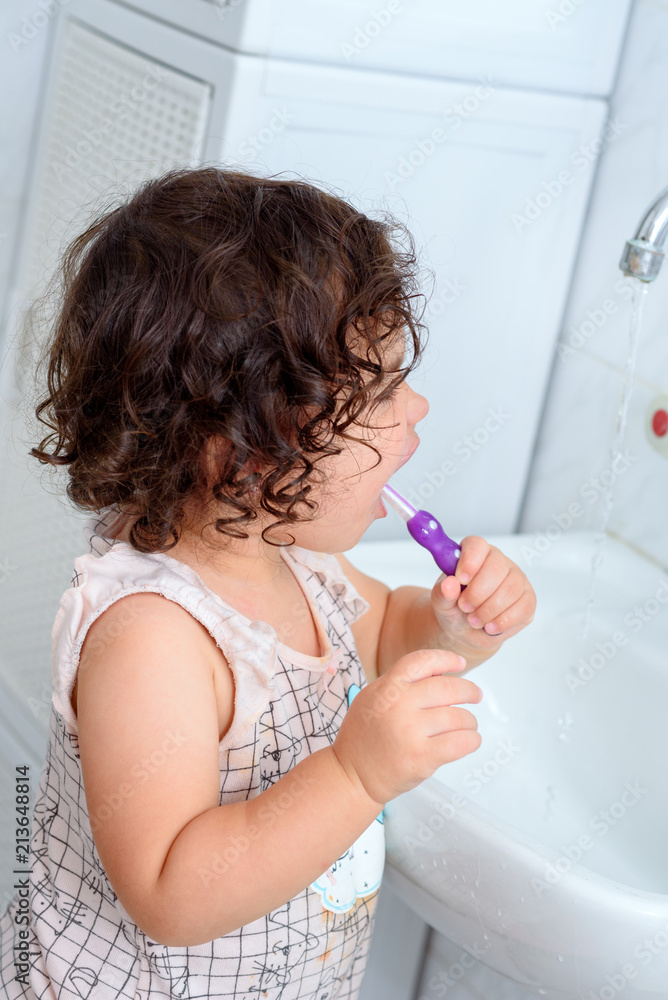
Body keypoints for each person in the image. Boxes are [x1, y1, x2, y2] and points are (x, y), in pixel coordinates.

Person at [0, 166, 536, 999]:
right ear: (247, 451)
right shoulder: (152, 636)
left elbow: (385, 637)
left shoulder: (292, 552)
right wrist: (355, 776)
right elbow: (169, 893)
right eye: (382, 392)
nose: (418, 410)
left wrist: (453, 627)